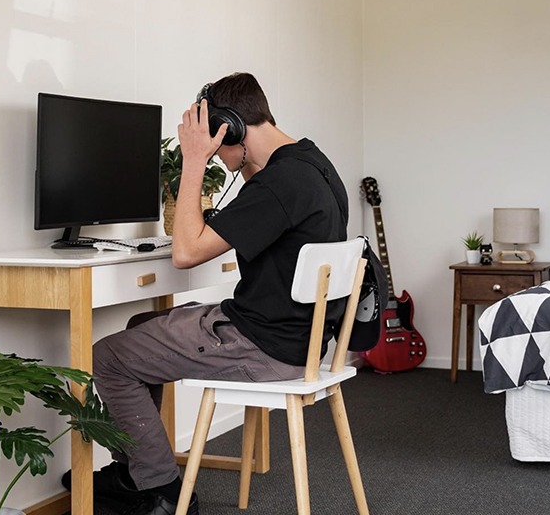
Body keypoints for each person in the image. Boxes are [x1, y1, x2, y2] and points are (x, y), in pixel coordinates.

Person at [66, 72, 349, 515]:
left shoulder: (277, 185)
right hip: (299, 341)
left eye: (217, 143)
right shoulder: (315, 166)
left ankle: (161, 490)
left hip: (263, 347)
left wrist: (193, 160)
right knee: (142, 326)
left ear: (231, 127)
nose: (217, 156)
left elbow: (184, 252)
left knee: (108, 357)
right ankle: (133, 470)